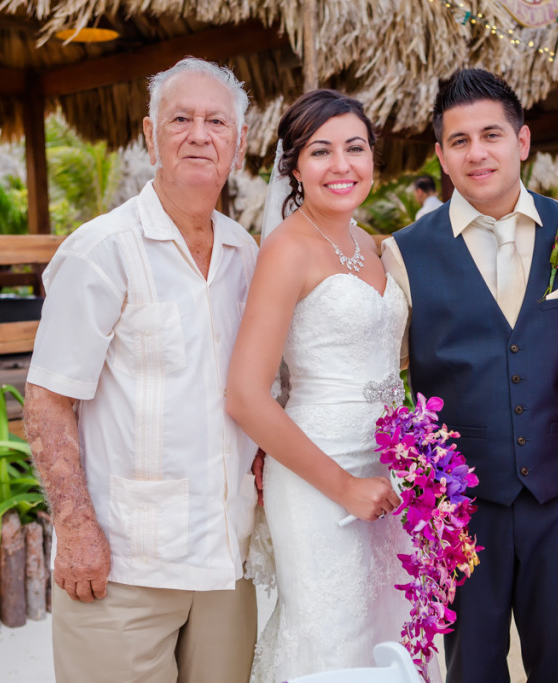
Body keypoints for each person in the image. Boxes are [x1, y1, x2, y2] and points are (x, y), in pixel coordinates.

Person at [22, 58, 259, 683]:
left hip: (223, 563)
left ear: (237, 143)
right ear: (150, 136)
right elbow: (47, 399)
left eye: (217, 121)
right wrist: (74, 529)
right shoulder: (103, 250)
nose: (199, 134)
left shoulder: (246, 253)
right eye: (180, 119)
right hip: (123, 565)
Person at [383, 68, 558, 683]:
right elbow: (383, 377)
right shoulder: (403, 252)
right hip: (462, 512)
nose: (477, 152)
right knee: (473, 669)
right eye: (459, 141)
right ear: (440, 154)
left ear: (523, 141)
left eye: (491, 135)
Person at [226, 89, 417, 682]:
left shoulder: (376, 245)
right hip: (320, 474)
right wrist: (344, 486)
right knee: (332, 640)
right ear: (294, 167)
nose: (341, 166)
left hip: (389, 469)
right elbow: (246, 394)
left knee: (390, 629)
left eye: (355, 149)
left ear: (373, 159)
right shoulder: (285, 249)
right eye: (320, 151)